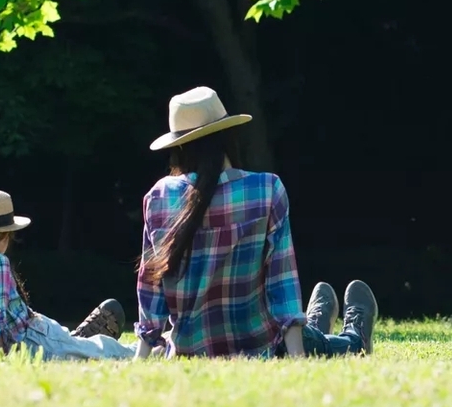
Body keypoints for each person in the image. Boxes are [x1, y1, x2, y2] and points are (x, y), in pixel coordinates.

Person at [134, 86, 378, 359]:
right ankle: (355, 338)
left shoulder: (159, 197)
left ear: (178, 147)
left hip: (188, 353)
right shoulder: (266, 189)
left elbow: (150, 288)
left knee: (304, 336)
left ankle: (314, 325)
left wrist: (140, 358)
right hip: (262, 349)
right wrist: (298, 360)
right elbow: (281, 281)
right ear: (228, 135)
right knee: (314, 342)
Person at [0, 190, 134, 361]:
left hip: (26, 337)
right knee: (102, 352)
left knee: (78, 347)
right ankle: (148, 348)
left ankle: (78, 341)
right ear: (0, 236)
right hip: (35, 341)